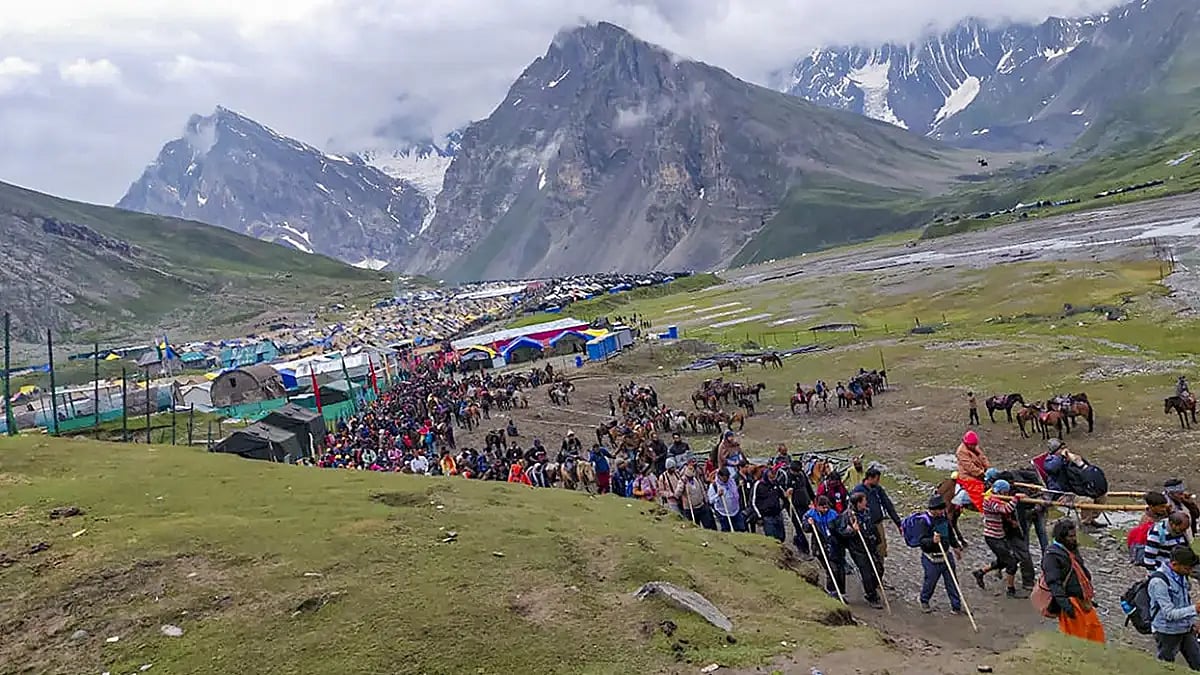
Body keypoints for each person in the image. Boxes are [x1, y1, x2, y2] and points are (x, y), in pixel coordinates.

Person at [1042, 519, 1105, 644]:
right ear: (1061, 537)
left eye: (1074, 535)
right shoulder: (1051, 556)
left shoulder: (1071, 549)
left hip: (1082, 601)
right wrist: (1067, 607)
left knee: (1095, 634)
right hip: (1071, 603)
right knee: (1077, 639)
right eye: (1070, 536)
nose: (1074, 539)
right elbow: (1054, 583)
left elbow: (1081, 571)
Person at [971, 480, 1029, 598]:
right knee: (1012, 563)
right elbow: (1006, 509)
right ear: (1001, 491)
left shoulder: (996, 499)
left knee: (1003, 561)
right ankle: (1010, 590)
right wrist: (1016, 498)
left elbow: (1004, 512)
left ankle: (980, 572)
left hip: (999, 536)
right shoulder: (990, 500)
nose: (1006, 495)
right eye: (1005, 492)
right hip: (992, 537)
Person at [1147, 545, 1200, 669]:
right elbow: (1169, 614)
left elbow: (1185, 601)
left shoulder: (1181, 575)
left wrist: (1193, 622)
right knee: (1166, 665)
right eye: (1187, 568)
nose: (1190, 571)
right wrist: (1195, 609)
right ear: (1175, 564)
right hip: (1167, 632)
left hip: (1185, 628)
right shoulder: (1159, 582)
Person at [851, 467, 902, 589]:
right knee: (868, 552)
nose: (878, 482)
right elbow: (852, 509)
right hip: (864, 526)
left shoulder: (877, 489)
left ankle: (879, 578)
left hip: (878, 525)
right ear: (870, 478)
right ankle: (870, 580)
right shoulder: (858, 491)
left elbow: (887, 504)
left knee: (881, 550)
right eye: (877, 479)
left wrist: (898, 523)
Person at [914, 494, 964, 615]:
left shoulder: (944, 517)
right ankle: (924, 600)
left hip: (946, 555)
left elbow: (950, 533)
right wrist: (932, 540)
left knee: (952, 582)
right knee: (930, 581)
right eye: (940, 510)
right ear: (933, 509)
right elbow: (921, 541)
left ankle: (956, 606)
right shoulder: (924, 521)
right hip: (931, 558)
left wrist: (956, 546)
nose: (942, 512)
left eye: (943, 510)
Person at [837, 492, 884, 609]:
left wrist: (877, 540)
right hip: (857, 549)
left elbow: (872, 526)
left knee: (879, 569)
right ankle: (871, 595)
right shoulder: (847, 516)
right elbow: (841, 532)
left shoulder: (867, 512)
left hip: (870, 545)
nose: (866, 502)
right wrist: (853, 530)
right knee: (866, 573)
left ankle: (873, 587)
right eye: (864, 501)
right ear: (858, 503)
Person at [804, 496, 843, 598]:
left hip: (833, 546)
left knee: (838, 570)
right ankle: (832, 592)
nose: (825, 509)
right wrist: (809, 524)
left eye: (826, 507)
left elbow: (840, 529)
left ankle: (839, 591)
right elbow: (805, 528)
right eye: (823, 507)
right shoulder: (810, 515)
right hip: (820, 546)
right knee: (831, 570)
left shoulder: (833, 514)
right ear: (817, 506)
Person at [676, 457, 717, 530]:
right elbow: (677, 494)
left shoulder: (696, 478)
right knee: (695, 527)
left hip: (701, 505)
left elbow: (702, 489)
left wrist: (705, 499)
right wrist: (682, 485)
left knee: (708, 524)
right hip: (690, 508)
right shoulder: (682, 481)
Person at [956, 430, 990, 512]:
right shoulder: (961, 451)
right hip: (968, 475)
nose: (974, 446)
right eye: (972, 445)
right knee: (978, 491)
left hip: (980, 472)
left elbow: (983, 458)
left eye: (975, 444)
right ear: (967, 443)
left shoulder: (974, 447)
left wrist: (987, 468)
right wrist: (982, 474)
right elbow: (970, 467)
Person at [752, 467, 788, 542]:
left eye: (774, 477)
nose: (772, 479)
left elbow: (783, 495)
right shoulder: (758, 485)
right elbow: (753, 502)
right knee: (771, 538)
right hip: (767, 516)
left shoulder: (776, 483)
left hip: (777, 514)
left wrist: (783, 505)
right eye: (771, 478)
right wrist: (759, 516)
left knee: (781, 537)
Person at [708, 467, 746, 533]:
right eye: (725, 478)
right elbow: (711, 500)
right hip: (723, 513)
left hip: (736, 510)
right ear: (719, 476)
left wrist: (739, 486)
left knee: (740, 530)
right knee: (726, 531)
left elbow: (734, 492)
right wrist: (718, 495)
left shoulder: (732, 482)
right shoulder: (714, 486)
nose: (727, 479)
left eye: (728, 477)